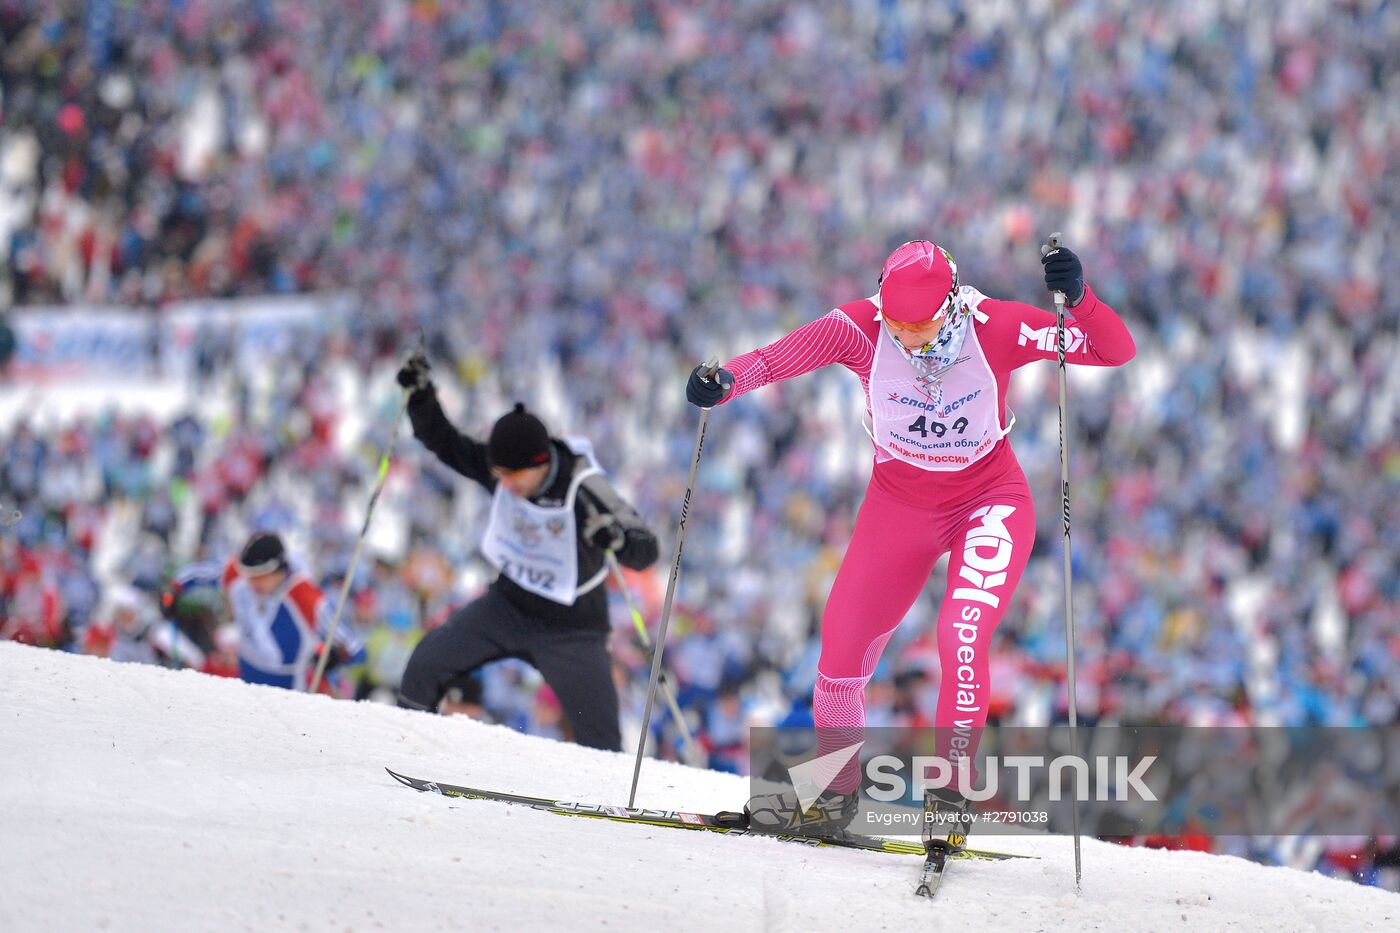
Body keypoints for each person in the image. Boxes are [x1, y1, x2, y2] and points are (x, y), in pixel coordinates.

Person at [687, 239, 1135, 844]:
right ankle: (836, 793)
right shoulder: (859, 327)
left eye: (920, 328)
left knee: (961, 636)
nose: (907, 339)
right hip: (898, 505)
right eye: (896, 324)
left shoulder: (994, 325)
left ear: (949, 304)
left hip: (989, 502)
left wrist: (1078, 299)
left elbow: (1113, 350)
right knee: (840, 654)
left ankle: (950, 799)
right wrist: (724, 381)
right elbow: (776, 359)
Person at [394, 350, 660, 751]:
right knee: (425, 664)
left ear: (540, 463)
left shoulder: (582, 485)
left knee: (601, 736)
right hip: (508, 606)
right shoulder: (506, 468)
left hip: (573, 626)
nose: (505, 484)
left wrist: (617, 540)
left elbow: (646, 547)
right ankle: (406, 747)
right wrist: (420, 396)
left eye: (514, 475)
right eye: (499, 475)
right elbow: (448, 444)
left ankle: (603, 803)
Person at [166, 532, 366, 692]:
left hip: (286, 687)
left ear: (280, 570)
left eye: (260, 576)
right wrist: (172, 592)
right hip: (245, 673)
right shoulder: (239, 577)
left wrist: (336, 656)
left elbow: (355, 648)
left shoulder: (304, 596)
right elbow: (199, 575)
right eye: (249, 576)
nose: (253, 582)